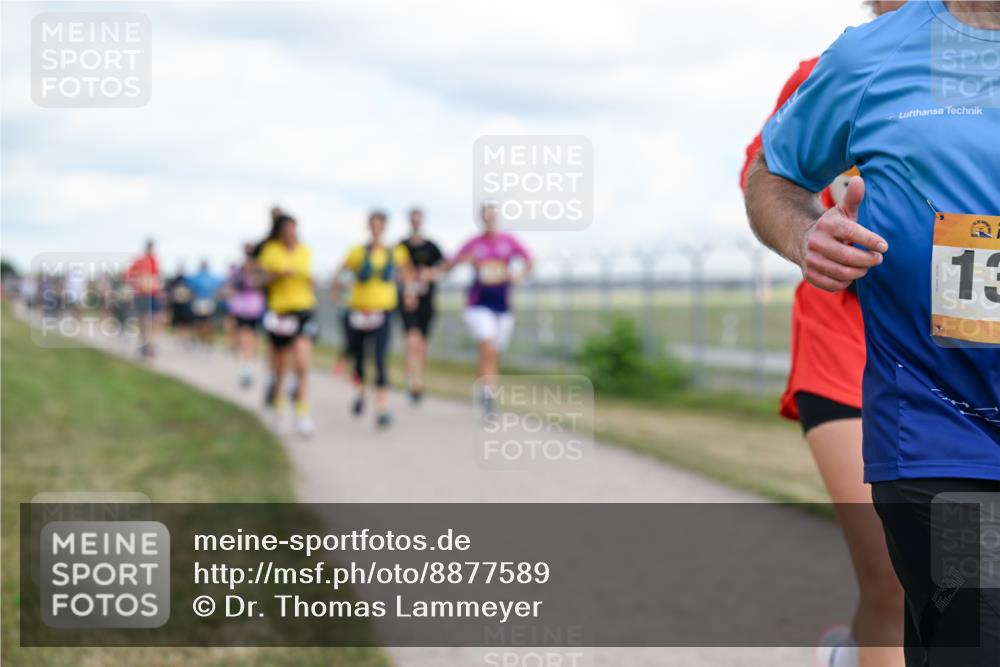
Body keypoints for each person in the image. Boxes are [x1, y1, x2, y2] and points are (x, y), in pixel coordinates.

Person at [745, 2, 1000, 664]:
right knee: (968, 620)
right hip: (941, 420)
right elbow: (773, 173)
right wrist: (808, 236)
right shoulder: (866, 57)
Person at [740, 4, 906, 666]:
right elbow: (767, 182)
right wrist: (811, 232)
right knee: (895, 576)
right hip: (844, 352)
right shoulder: (837, 72)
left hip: (960, 364)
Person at [443, 203, 532, 415]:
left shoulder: (509, 241)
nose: (490, 220)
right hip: (478, 303)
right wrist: (462, 260)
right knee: (487, 347)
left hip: (502, 304)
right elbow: (450, 264)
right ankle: (488, 397)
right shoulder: (473, 243)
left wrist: (518, 275)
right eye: (486, 217)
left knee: (493, 354)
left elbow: (529, 261)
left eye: (493, 216)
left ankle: (485, 387)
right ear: (482, 219)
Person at [332, 211, 415, 429]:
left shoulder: (395, 251)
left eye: (379, 225)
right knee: (359, 358)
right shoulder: (357, 252)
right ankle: (360, 392)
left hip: (383, 311)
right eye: (373, 225)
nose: (376, 228)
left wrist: (409, 293)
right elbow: (341, 273)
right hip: (359, 310)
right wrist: (338, 292)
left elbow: (409, 273)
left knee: (380, 359)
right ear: (369, 227)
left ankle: (382, 407)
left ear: (384, 227)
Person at [258, 213, 317, 436]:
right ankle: (279, 412)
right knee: (281, 366)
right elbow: (261, 280)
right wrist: (277, 275)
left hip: (303, 309)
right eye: (288, 229)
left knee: (302, 363)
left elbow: (308, 276)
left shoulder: (305, 251)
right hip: (279, 311)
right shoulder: (271, 251)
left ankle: (303, 413)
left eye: (295, 229)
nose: (292, 233)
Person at [398, 207, 445, 404]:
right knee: (411, 340)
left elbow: (443, 268)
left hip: (427, 302)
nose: (416, 222)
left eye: (419, 219)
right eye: (413, 219)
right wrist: (407, 283)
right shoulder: (400, 246)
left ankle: (419, 378)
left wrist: (430, 274)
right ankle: (412, 382)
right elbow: (395, 271)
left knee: (422, 344)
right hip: (408, 301)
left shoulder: (432, 247)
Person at [225, 244, 266, 388]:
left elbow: (263, 285)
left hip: (255, 308)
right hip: (241, 308)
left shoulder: (261, 269)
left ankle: (248, 362)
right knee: (244, 335)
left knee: (252, 336)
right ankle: (246, 363)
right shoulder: (238, 270)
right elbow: (231, 286)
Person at [124, 239, 163, 359]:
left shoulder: (154, 260)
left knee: (153, 320)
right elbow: (128, 276)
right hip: (143, 294)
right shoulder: (139, 261)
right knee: (144, 320)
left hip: (153, 294)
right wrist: (138, 284)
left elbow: (157, 277)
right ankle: (146, 344)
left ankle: (150, 345)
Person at [187, 260, 224, 348]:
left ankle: (207, 340)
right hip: (199, 302)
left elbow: (217, 290)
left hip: (208, 302)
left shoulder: (212, 278)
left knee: (208, 322)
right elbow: (191, 291)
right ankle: (199, 338)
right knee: (198, 322)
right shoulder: (196, 277)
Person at [165, 263, 195, 346]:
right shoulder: (174, 280)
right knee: (179, 323)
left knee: (186, 323)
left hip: (185, 305)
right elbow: (170, 293)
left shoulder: (187, 280)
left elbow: (191, 293)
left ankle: (185, 338)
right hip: (177, 305)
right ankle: (180, 338)